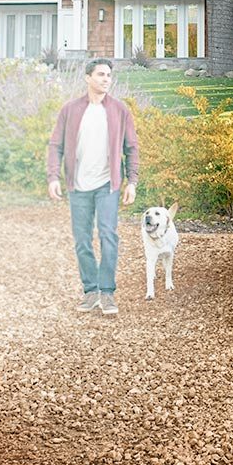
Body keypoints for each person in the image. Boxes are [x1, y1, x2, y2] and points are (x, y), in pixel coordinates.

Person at [47, 58, 139, 316]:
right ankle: (91, 290)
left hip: (107, 184)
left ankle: (107, 292)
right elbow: (56, 145)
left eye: (109, 75)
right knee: (82, 241)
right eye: (100, 74)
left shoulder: (120, 110)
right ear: (88, 77)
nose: (106, 79)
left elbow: (131, 148)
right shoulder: (71, 110)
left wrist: (132, 181)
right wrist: (53, 177)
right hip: (78, 186)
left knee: (108, 236)